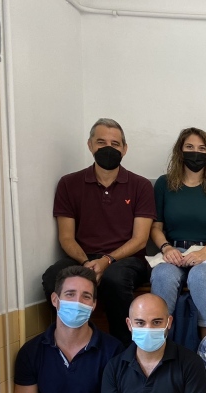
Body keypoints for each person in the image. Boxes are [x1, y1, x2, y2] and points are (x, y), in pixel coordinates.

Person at [42, 118, 156, 345]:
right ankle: (64, 341)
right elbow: (66, 237)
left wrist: (106, 260)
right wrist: (86, 264)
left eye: (115, 144)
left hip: (126, 260)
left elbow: (140, 239)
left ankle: (123, 347)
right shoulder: (69, 184)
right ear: (90, 145)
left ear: (125, 149)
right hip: (81, 258)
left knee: (115, 279)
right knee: (53, 277)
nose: (108, 148)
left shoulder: (141, 185)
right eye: (101, 142)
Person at [150, 127, 206, 339]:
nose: (195, 152)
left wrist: (203, 254)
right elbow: (156, 228)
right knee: (162, 275)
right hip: (174, 251)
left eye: (201, 148)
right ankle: (159, 340)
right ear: (180, 151)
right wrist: (166, 248)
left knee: (199, 276)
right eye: (189, 147)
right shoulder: (164, 184)